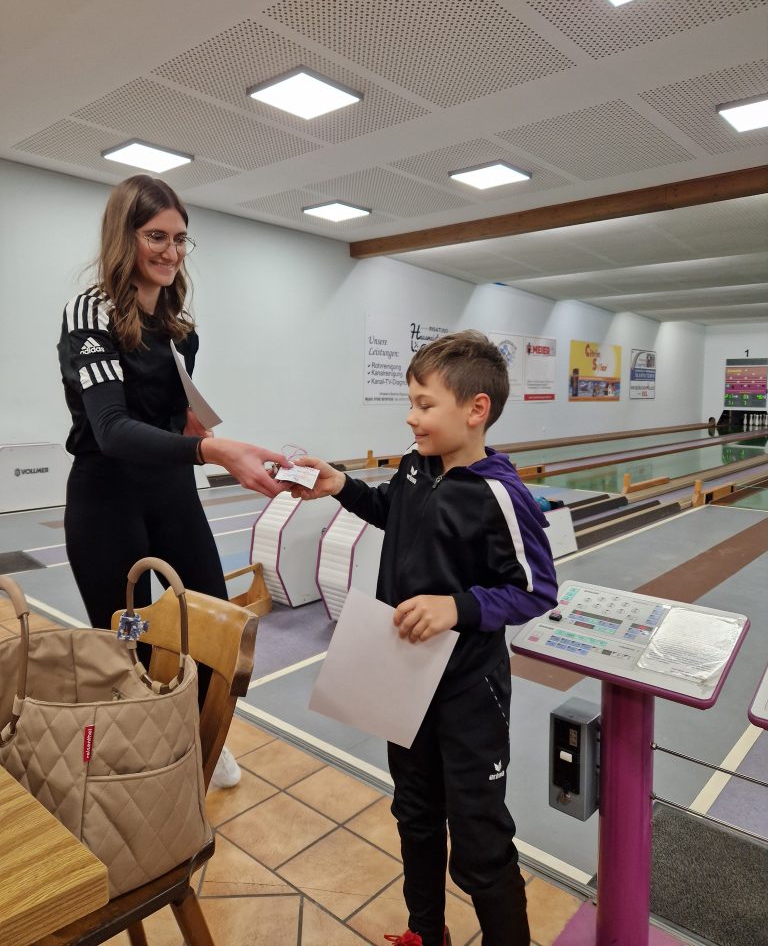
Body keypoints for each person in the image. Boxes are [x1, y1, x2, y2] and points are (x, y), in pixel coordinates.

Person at [288, 331, 558, 946]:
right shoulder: (416, 466)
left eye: (424, 404)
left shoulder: (500, 495)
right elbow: (395, 509)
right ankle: (424, 933)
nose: (411, 417)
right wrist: (341, 486)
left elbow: (536, 589)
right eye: (410, 402)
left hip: (467, 690)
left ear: (476, 409)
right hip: (402, 679)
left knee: (479, 838)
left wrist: (458, 608)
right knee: (414, 811)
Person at [58, 174, 289, 788]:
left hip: (170, 494)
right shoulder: (91, 314)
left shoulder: (180, 327)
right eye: (155, 236)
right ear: (124, 237)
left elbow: (170, 414)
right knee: (128, 634)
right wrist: (211, 448)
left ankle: (197, 734)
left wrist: (194, 428)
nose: (171, 251)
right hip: (108, 497)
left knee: (210, 620)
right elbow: (112, 429)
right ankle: (144, 750)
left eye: (181, 238)